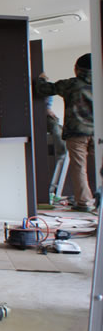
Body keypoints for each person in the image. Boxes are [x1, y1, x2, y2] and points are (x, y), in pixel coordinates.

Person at [37, 53, 95, 212]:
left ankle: (84, 203)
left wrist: (41, 78)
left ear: (77, 69)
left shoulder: (71, 84)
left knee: (79, 167)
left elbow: (43, 89)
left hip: (77, 133)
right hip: (99, 133)